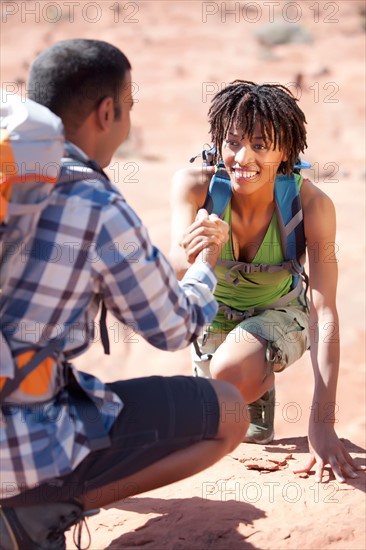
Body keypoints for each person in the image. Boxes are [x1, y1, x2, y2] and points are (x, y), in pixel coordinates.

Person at [0, 40, 248, 550]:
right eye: (129, 108)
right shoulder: (93, 203)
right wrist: (206, 264)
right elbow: (173, 328)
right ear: (106, 111)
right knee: (227, 412)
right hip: (19, 447)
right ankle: (39, 511)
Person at [169, 80, 359, 483]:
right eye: (233, 142)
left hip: (280, 309)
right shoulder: (195, 185)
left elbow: (324, 310)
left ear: (286, 151)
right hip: (214, 311)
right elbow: (174, 273)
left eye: (260, 145)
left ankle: (254, 360)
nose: (243, 157)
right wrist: (203, 249)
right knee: (227, 416)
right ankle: (252, 379)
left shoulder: (312, 205)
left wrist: (321, 423)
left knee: (229, 373)